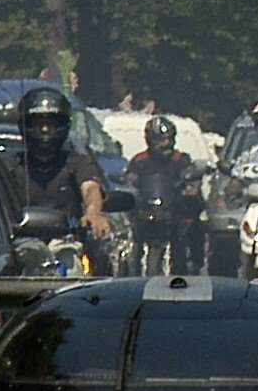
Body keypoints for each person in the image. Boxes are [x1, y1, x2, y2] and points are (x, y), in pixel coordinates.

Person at [10, 85, 111, 258]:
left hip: (65, 244)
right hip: (19, 246)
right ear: (25, 125)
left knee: (83, 262)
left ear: (63, 125)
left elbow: (90, 187)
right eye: (38, 124)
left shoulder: (77, 162)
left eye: (50, 124)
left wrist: (93, 212)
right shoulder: (10, 166)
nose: (44, 130)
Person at [123, 115, 206, 273]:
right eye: (160, 140)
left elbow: (191, 175)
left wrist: (190, 186)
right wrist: (129, 186)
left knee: (193, 224)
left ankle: (192, 260)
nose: (166, 143)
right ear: (149, 140)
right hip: (147, 211)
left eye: (169, 139)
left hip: (175, 210)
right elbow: (130, 179)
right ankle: (133, 267)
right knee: (131, 237)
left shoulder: (180, 159)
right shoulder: (140, 160)